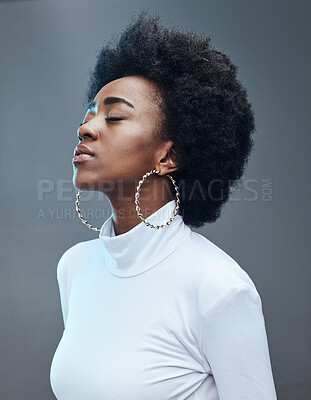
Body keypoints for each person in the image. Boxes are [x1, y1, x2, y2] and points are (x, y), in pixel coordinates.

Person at [50, 10, 278, 400]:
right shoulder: (75, 267)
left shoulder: (219, 289)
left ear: (167, 157)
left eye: (115, 116)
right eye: (91, 112)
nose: (86, 127)